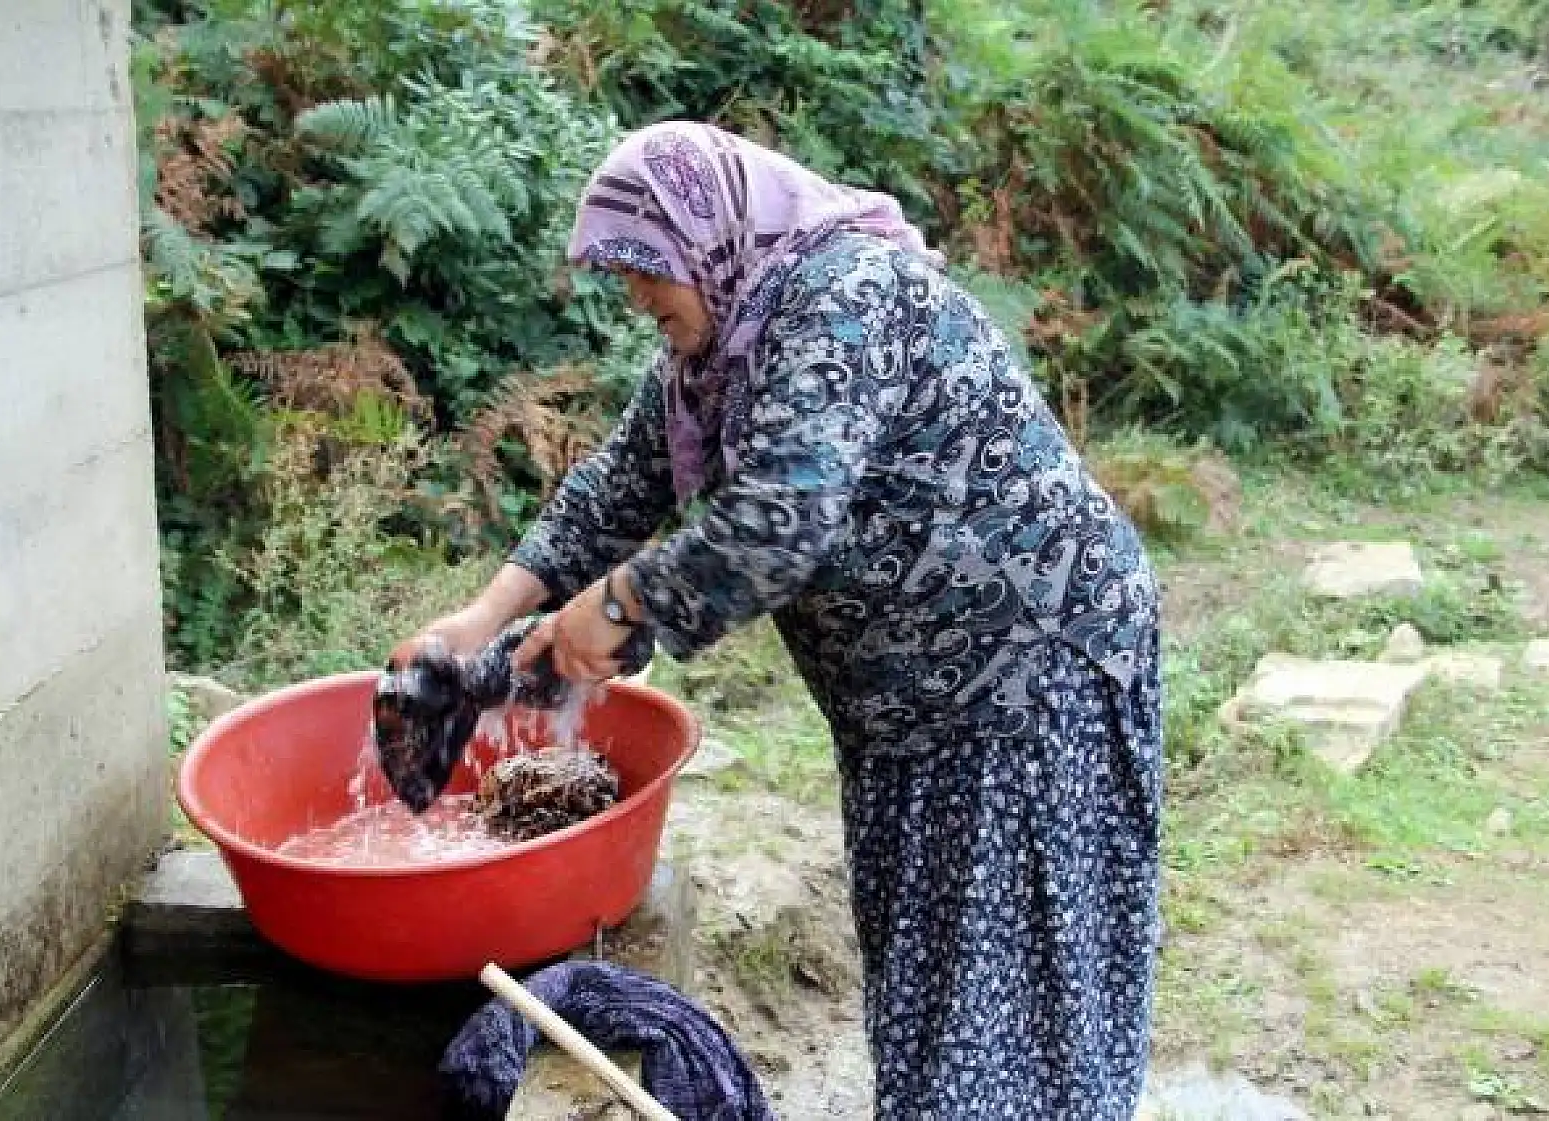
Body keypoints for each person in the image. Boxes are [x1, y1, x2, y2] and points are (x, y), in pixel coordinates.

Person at [398, 121, 1163, 1120]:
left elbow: (776, 522)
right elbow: (615, 488)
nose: (634, 293)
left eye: (646, 266)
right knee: (934, 984)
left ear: (709, 234)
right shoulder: (712, 355)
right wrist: (484, 615)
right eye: (620, 271)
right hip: (911, 708)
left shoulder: (844, 294)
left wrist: (624, 605)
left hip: (1023, 679)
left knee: (1001, 995)